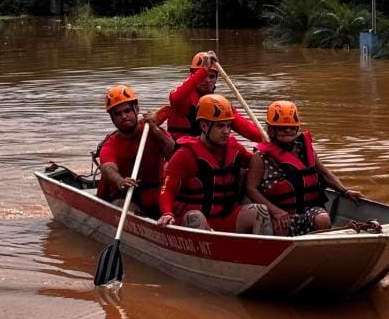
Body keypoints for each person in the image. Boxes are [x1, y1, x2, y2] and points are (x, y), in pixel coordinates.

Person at [157, 94, 272, 234]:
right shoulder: (185, 154)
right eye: (220, 126)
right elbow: (167, 189)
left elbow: (258, 163)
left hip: (228, 216)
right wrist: (167, 213)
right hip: (198, 219)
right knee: (195, 218)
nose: (226, 131)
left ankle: (258, 252)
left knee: (260, 211)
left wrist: (272, 152)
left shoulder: (234, 148)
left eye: (229, 126)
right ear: (204, 125)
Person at [246, 100, 362, 236]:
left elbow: (324, 173)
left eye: (293, 127)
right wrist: (275, 212)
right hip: (279, 213)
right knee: (280, 228)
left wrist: (344, 191)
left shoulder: (306, 151)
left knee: (323, 219)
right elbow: (250, 189)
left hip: (308, 211)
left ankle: (319, 249)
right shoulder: (261, 157)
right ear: (272, 130)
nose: (288, 131)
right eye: (282, 128)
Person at [96, 84, 175, 217]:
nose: (124, 116)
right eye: (118, 114)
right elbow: (108, 168)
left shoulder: (153, 131)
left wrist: (155, 129)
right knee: (119, 206)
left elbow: (174, 155)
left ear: (136, 109)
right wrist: (120, 181)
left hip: (156, 196)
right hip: (126, 196)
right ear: (113, 119)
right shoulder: (110, 144)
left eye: (127, 111)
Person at [166, 50, 264, 143]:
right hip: (184, 151)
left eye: (212, 76)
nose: (207, 80)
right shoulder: (183, 98)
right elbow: (176, 98)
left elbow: (244, 127)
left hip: (209, 151)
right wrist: (203, 71)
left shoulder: (220, 103)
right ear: (193, 75)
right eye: (204, 76)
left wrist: (269, 139)